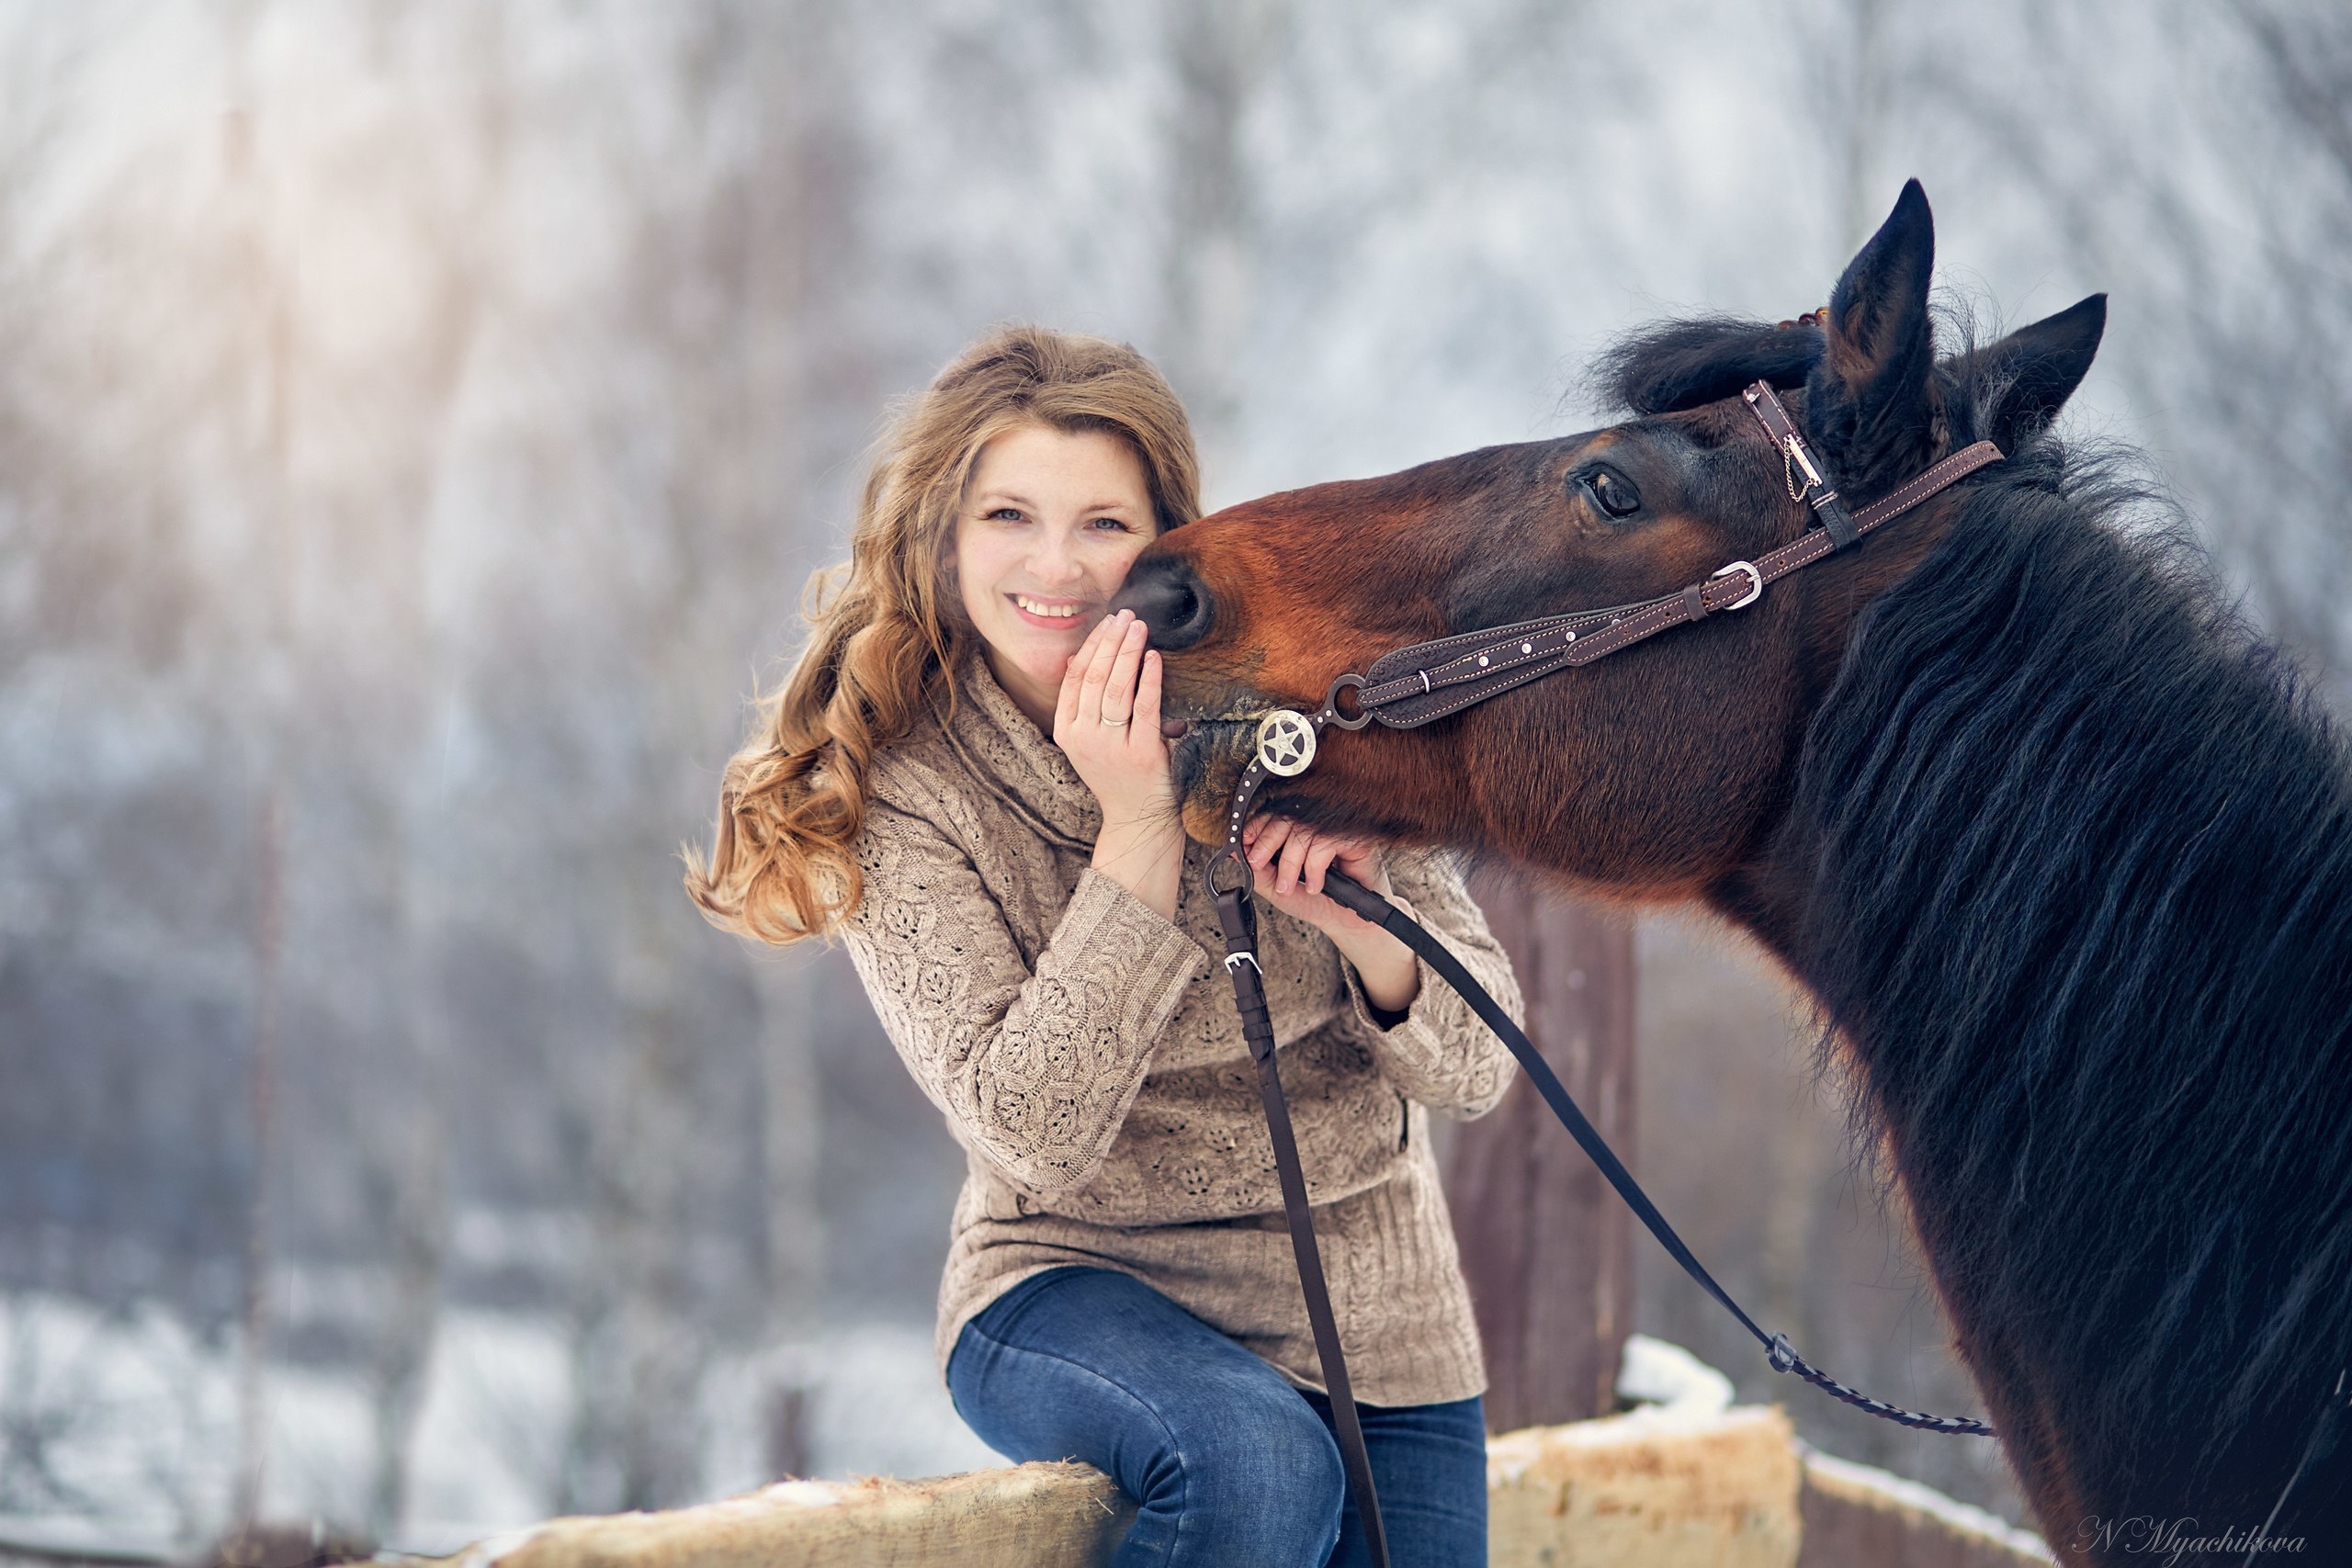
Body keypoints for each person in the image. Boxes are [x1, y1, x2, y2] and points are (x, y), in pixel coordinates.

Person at [687, 325, 1523, 1566]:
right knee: (1253, 1466)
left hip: (1370, 1301)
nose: (1056, 567)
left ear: (1169, 540)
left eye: (1104, 525)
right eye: (1009, 516)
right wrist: (1138, 830)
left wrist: (1369, 939)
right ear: (945, 536)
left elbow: (1481, 1068)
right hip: (1074, 1282)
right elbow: (1033, 1128)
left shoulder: (1288, 702)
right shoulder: (907, 790)